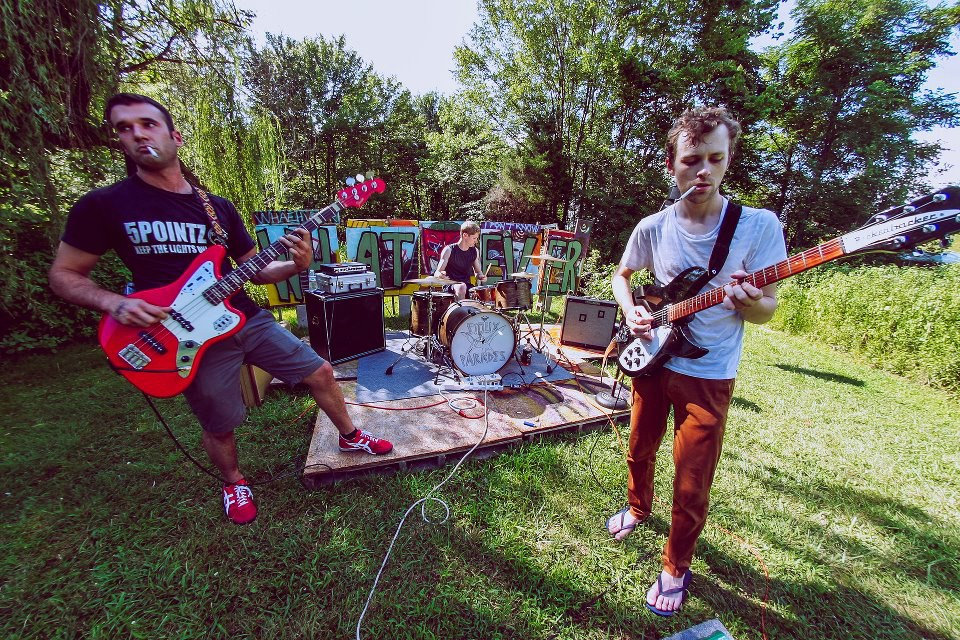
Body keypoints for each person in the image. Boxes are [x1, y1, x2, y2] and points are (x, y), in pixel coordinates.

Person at [48, 93, 393, 526]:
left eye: (147, 123)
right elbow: (64, 274)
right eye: (123, 127)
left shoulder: (216, 208)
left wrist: (297, 265)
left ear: (174, 135)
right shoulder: (104, 205)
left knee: (320, 371)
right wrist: (113, 302)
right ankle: (234, 481)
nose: (136, 133)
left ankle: (349, 436)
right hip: (179, 334)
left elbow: (255, 270)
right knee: (219, 419)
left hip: (242, 316)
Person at [609, 106, 787, 616]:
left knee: (691, 481)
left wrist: (753, 304)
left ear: (729, 160)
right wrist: (634, 311)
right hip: (653, 360)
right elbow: (624, 276)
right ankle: (638, 508)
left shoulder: (757, 227)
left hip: (708, 372)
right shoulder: (653, 226)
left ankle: (674, 568)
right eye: (692, 160)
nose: (703, 171)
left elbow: (768, 309)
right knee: (639, 447)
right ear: (673, 166)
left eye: (715, 158)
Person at [434, 221, 486, 300]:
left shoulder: (475, 251)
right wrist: (441, 275)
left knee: (478, 292)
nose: (476, 241)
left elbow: (478, 272)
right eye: (474, 238)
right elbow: (437, 273)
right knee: (461, 287)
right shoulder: (449, 250)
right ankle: (460, 311)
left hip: (467, 285)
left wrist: (481, 276)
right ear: (465, 235)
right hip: (450, 286)